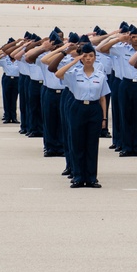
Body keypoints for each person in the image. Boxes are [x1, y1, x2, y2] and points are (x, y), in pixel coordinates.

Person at [55, 43, 110, 188]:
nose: (88, 59)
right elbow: (58, 74)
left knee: (92, 145)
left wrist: (104, 118)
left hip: (94, 109)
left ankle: (91, 178)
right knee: (77, 143)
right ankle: (78, 176)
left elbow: (103, 98)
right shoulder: (74, 74)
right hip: (78, 107)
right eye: (85, 56)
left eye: (91, 56)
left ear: (95, 58)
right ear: (81, 58)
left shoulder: (100, 75)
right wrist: (74, 61)